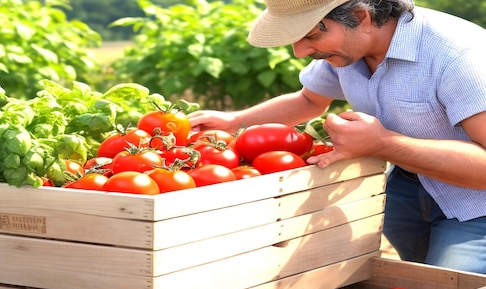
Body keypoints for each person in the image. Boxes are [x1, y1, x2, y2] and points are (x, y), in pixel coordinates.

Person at [188, 0, 486, 274]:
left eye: (311, 36)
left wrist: (383, 143)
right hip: (408, 188)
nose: (300, 51)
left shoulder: (459, 57)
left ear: (361, 17)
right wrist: (235, 121)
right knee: (422, 281)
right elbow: (308, 100)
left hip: (477, 204)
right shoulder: (350, 49)